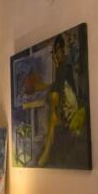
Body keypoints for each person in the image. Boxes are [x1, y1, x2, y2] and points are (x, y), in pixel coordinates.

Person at [37, 34, 85, 167]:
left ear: (62, 49)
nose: (56, 55)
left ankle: (47, 151)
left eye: (57, 50)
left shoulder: (66, 65)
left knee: (53, 103)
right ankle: (47, 148)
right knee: (52, 102)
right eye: (55, 51)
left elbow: (62, 88)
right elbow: (57, 87)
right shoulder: (61, 66)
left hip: (71, 102)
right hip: (64, 101)